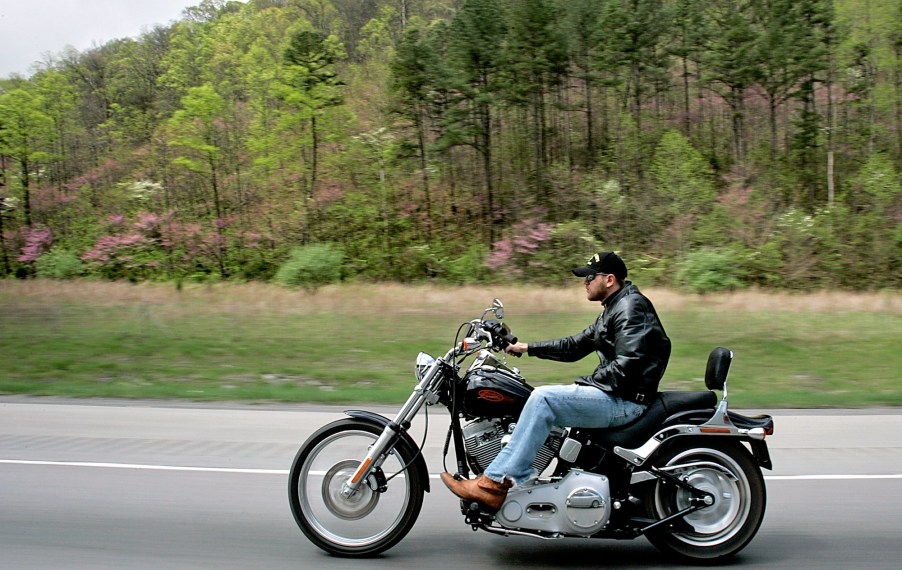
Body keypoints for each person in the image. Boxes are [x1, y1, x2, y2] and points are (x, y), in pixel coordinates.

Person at [440, 251, 672, 511]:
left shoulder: (631, 307)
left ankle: (492, 485)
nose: (585, 281)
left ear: (609, 279)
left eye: (590, 276)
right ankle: (521, 478)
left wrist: (587, 382)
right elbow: (574, 346)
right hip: (617, 394)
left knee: (544, 399)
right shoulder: (615, 307)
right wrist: (526, 348)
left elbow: (629, 366)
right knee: (541, 396)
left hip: (625, 402)